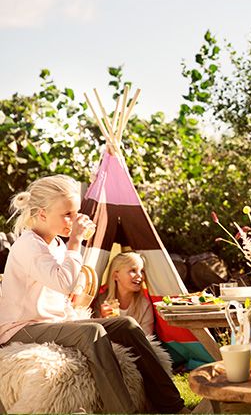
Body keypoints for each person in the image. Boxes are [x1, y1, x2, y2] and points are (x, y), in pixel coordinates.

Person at [0, 175, 186, 413]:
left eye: (76, 212)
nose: (75, 219)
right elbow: (63, 282)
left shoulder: (56, 243)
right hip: (21, 328)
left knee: (127, 325)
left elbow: (65, 290)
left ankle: (173, 405)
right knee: (93, 332)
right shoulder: (28, 244)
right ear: (42, 214)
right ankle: (122, 411)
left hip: (53, 322)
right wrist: (76, 241)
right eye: (67, 214)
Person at [94, 251, 155, 336]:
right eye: (133, 270)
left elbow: (146, 340)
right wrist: (103, 319)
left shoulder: (145, 305)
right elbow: (95, 336)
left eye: (142, 271)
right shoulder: (101, 301)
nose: (140, 276)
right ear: (116, 276)